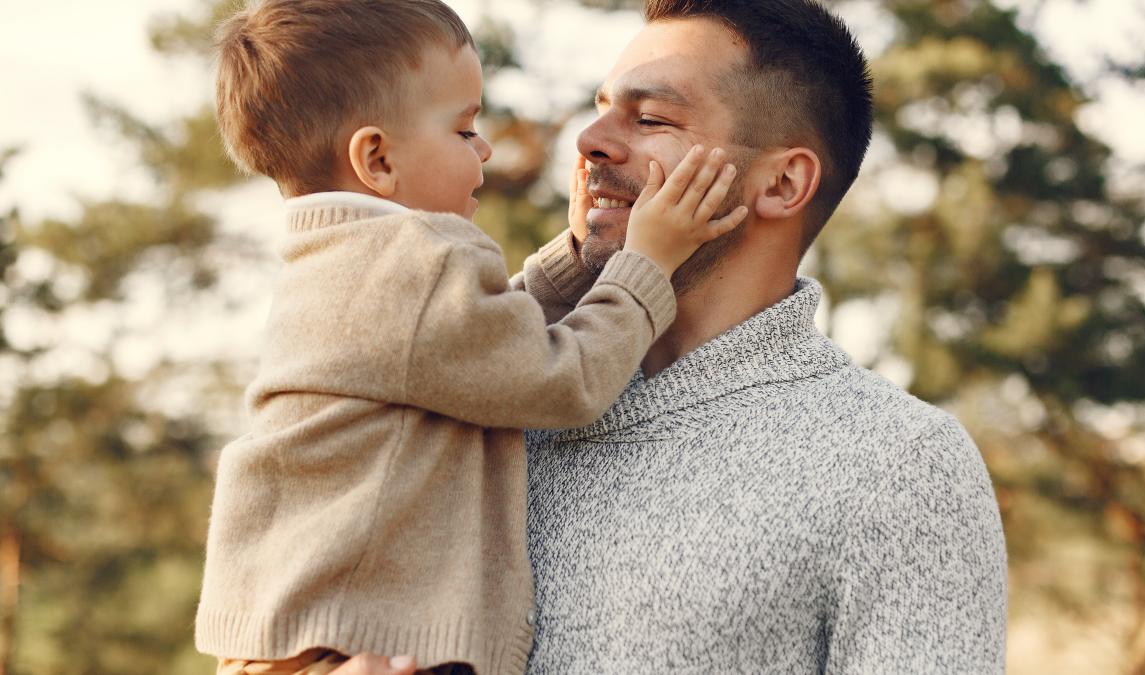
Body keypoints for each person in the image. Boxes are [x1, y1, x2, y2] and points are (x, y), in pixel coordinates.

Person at [344, 0, 1009, 671]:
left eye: (652, 118)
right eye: (601, 107)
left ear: (781, 182)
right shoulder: (473, 397)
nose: (590, 139)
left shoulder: (898, 463)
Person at [192, 1, 747, 674]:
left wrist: (576, 258)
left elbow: (472, 348)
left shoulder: (338, 257)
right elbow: (562, 379)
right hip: (367, 642)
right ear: (376, 158)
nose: (484, 148)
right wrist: (647, 264)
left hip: (297, 635)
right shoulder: (419, 256)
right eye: (463, 129)